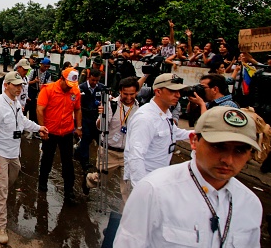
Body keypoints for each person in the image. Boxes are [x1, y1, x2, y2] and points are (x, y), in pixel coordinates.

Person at [97, 106, 270, 248]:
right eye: (218, 146)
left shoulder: (249, 204)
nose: (228, 159)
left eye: (240, 150)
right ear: (195, 141)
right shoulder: (155, 191)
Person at [0, 71, 48, 244]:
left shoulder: (16, 102)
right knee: (2, 191)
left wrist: (38, 127)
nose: (20, 88)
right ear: (6, 85)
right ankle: (0, 225)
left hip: (13, 153)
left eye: (21, 85)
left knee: (10, 181)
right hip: (0, 153)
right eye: (16, 85)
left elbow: (22, 122)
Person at [123, 73, 191, 190]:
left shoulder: (165, 112)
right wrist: (142, 188)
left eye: (179, 91)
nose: (178, 95)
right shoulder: (145, 118)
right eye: (172, 91)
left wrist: (196, 133)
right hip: (146, 180)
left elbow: (173, 132)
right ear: (158, 92)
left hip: (158, 177)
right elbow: (136, 156)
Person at [87, 76, 140, 204]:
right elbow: (99, 127)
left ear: (137, 92)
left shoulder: (140, 108)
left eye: (132, 94)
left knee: (128, 188)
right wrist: (102, 116)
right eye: (125, 94)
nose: (128, 97)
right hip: (109, 151)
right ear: (120, 92)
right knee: (99, 181)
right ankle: (88, 179)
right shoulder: (111, 105)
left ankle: (127, 215)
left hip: (127, 153)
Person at [37, 67, 83, 203]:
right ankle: (42, 183)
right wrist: (42, 129)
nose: (70, 88)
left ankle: (69, 192)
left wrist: (79, 127)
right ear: (61, 78)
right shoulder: (48, 89)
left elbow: (78, 109)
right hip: (50, 132)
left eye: (72, 86)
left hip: (67, 132)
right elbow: (40, 110)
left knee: (68, 163)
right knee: (47, 158)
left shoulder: (75, 91)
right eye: (68, 85)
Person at [75, 68, 105, 173]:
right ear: (89, 77)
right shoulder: (81, 88)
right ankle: (85, 162)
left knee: (98, 138)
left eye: (97, 80)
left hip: (96, 117)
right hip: (84, 116)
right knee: (86, 137)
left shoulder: (101, 88)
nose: (95, 83)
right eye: (93, 80)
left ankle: (78, 152)